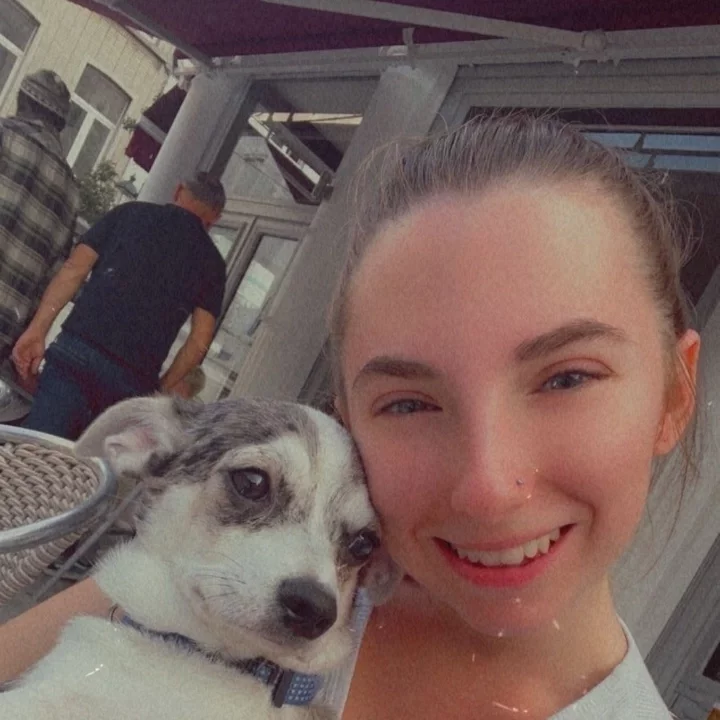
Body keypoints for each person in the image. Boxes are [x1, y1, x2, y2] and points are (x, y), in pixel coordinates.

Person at [0, 116, 700, 719]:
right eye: (409, 402)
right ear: (345, 425)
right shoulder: (195, 581)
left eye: (568, 377)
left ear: (674, 395)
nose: (488, 487)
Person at [12, 172, 227, 440]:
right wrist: (163, 386)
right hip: (130, 381)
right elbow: (199, 341)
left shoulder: (129, 214)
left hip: (78, 351)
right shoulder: (213, 265)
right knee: (91, 461)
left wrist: (38, 329)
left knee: (38, 447)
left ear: (178, 191)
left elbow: (74, 269)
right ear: (215, 218)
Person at [0, 70, 78, 370]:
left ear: (22, 101)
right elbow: (55, 273)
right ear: (59, 125)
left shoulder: (4, 135)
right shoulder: (71, 190)